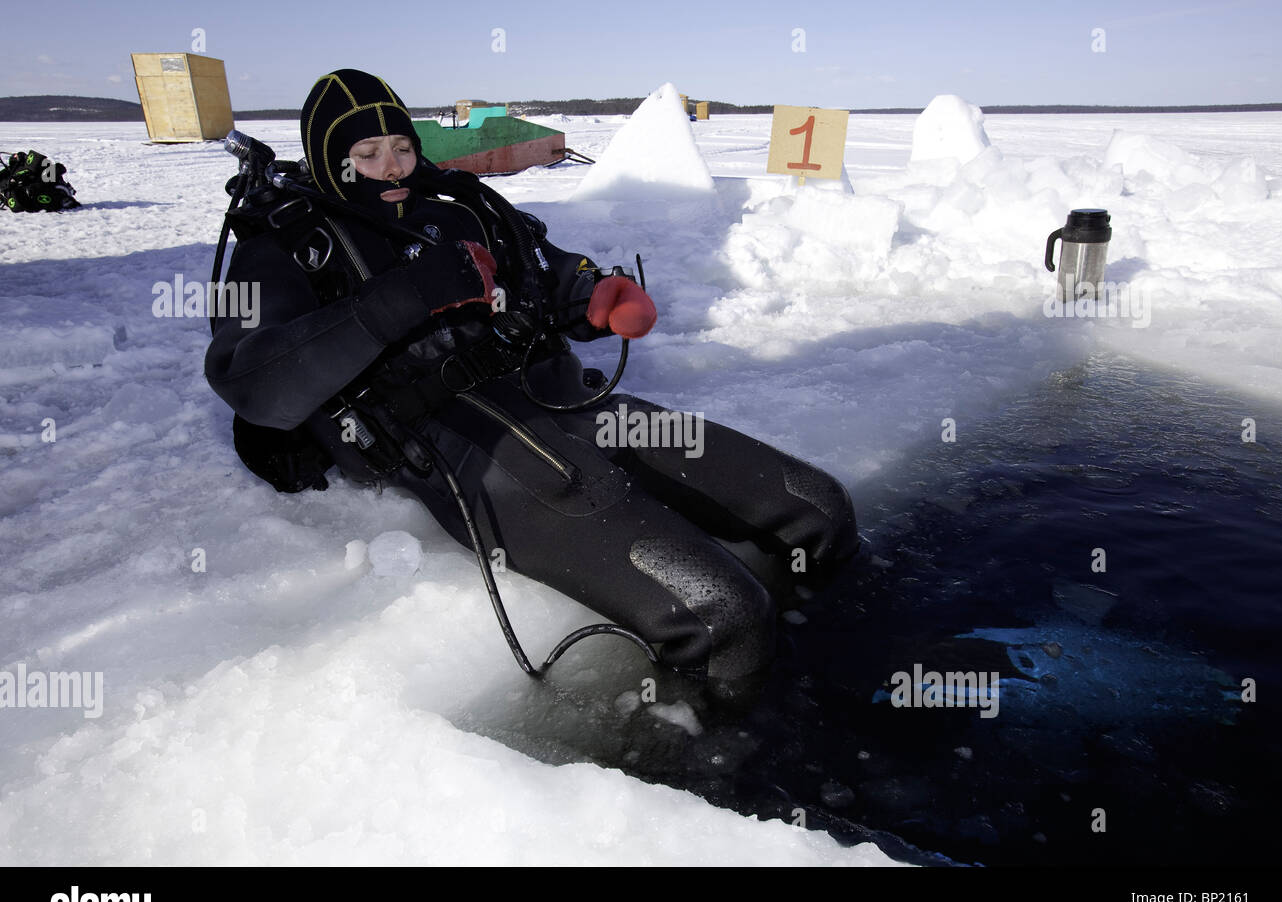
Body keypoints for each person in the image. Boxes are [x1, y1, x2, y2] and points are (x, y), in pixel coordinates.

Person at [205, 69, 859, 699]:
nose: (394, 166)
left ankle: (851, 695)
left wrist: (595, 296)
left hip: (560, 398)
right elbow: (256, 384)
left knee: (820, 509)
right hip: (456, 445)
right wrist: (398, 300)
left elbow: (542, 273)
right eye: (368, 153)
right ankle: (744, 777)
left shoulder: (454, 212)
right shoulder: (285, 250)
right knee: (723, 616)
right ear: (329, 161)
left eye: (402, 146)